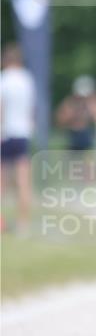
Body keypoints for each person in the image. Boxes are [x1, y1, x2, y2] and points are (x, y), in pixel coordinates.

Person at [0, 43, 35, 235]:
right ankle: (23, 223)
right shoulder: (27, 80)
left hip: (6, 134)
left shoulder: (4, 79)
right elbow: (31, 109)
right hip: (22, 134)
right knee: (23, 181)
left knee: (2, 182)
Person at [56, 76, 96, 152]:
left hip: (86, 135)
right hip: (72, 136)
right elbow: (60, 120)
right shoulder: (69, 103)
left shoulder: (90, 103)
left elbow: (95, 117)